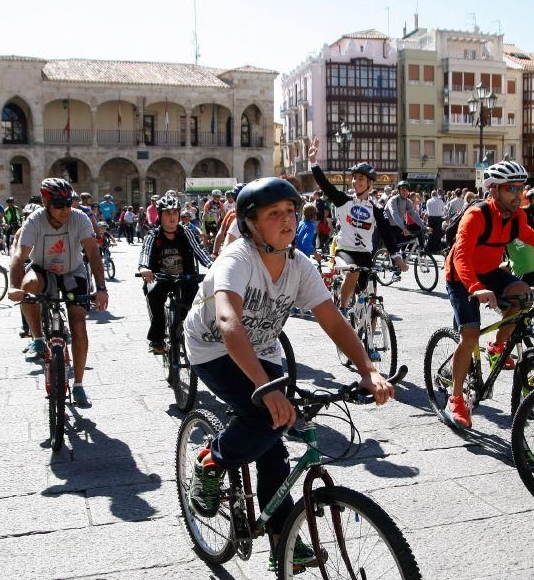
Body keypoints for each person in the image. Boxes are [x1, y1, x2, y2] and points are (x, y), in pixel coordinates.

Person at [182, 176, 395, 571]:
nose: (287, 220)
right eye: (274, 214)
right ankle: (212, 460)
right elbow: (229, 323)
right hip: (211, 346)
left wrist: (368, 370)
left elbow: (333, 319)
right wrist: (265, 389)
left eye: (291, 212)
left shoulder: (300, 265)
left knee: (275, 432)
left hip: (262, 347)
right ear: (250, 224)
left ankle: (283, 541)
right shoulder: (238, 259)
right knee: (266, 415)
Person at [444, 161, 534, 428]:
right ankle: (456, 398)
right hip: (461, 277)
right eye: (511, 188)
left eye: (520, 188)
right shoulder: (476, 215)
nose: (517, 194)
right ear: (494, 190)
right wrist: (476, 288)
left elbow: (531, 236)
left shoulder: (516, 215)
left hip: (489, 272)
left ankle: (497, 346)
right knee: (470, 335)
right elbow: (461, 255)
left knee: (524, 295)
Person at [8, 178, 109, 408]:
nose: (65, 210)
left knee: (79, 323)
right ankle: (38, 338)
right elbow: (18, 256)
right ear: (46, 203)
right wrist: (13, 287)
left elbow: (93, 253)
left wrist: (101, 288)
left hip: (72, 272)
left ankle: (79, 385)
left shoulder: (79, 218)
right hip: (42, 270)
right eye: (58, 205)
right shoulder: (35, 221)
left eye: (67, 203)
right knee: (29, 286)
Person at [308, 137, 407, 312]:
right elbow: (325, 185)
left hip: (365, 255)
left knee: (373, 303)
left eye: (361, 179)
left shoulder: (375, 208)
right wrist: (313, 162)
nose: (356, 182)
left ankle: (370, 334)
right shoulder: (343, 201)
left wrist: (396, 256)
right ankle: (343, 309)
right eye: (354, 178)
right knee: (352, 272)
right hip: (345, 251)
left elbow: (386, 233)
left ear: (370, 183)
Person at [138, 195, 212, 354]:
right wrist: (144, 267)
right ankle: (157, 340)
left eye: (174, 213)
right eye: (167, 213)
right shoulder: (153, 235)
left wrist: (214, 266)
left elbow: (199, 250)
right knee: (154, 297)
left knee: (197, 304)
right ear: (160, 215)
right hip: (162, 278)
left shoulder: (186, 232)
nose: (172, 217)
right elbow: (145, 252)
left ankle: (194, 335)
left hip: (186, 278)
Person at [385, 181, 427, 252]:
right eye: (402, 190)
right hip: (387, 226)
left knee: (406, 242)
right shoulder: (393, 200)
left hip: (398, 226)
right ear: (399, 191)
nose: (405, 192)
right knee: (394, 250)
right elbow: (394, 214)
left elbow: (413, 214)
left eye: (407, 190)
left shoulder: (408, 201)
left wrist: (423, 226)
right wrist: (403, 228)